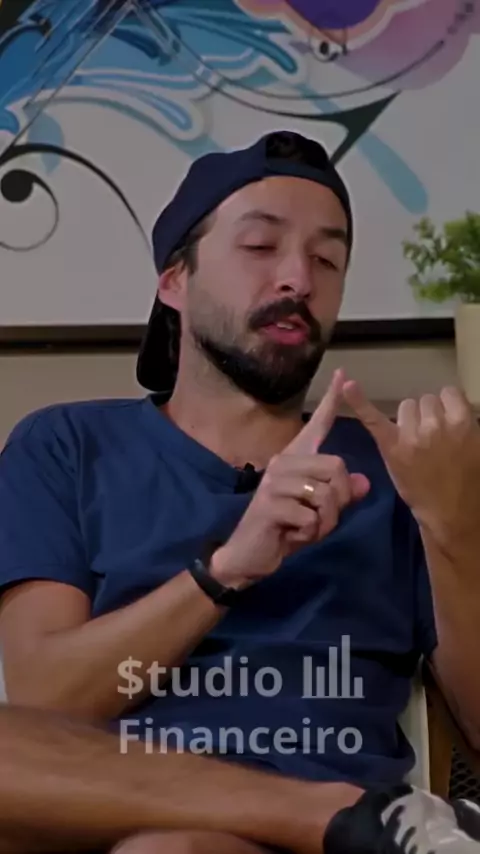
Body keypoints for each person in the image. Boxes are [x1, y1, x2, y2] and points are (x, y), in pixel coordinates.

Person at [0, 130, 479, 852]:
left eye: (328, 260)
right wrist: (225, 571)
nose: (298, 279)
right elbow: (47, 700)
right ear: (174, 281)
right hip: (119, 818)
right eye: (260, 246)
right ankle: (338, 814)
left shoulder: (401, 469)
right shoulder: (67, 446)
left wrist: (453, 523)